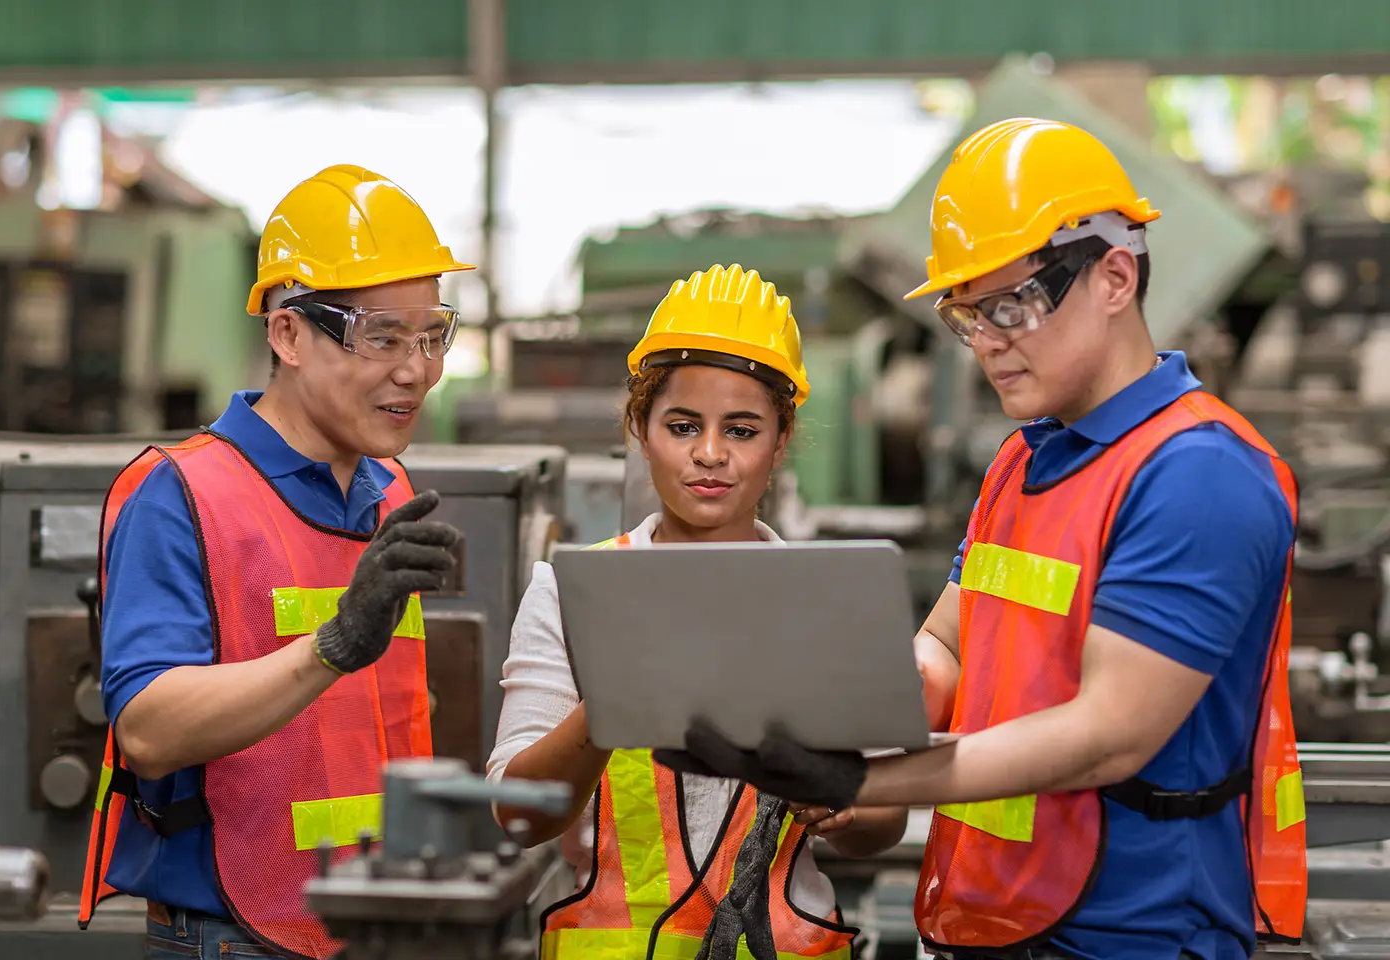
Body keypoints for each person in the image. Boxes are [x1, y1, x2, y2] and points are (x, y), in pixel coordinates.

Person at [655, 119, 1309, 960]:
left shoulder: (1198, 475)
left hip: (1133, 932)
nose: (987, 341)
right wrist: (810, 707)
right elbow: (948, 651)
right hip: (988, 911)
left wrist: (865, 780)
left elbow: (1112, 732)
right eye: (969, 316)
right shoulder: (1025, 459)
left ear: (1114, 276)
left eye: (1011, 305)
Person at [78, 164, 472, 960]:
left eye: (432, 336)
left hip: (376, 926)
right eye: (382, 337)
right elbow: (148, 729)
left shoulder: (389, 487)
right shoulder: (180, 492)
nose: (417, 370)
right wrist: (332, 645)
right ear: (287, 333)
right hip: (234, 935)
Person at [487, 263, 911, 960]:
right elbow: (514, 814)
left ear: (780, 440)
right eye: (683, 425)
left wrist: (845, 804)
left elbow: (885, 819)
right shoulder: (569, 591)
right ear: (640, 428)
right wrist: (609, 705)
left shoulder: (826, 598)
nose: (709, 455)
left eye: (741, 430)